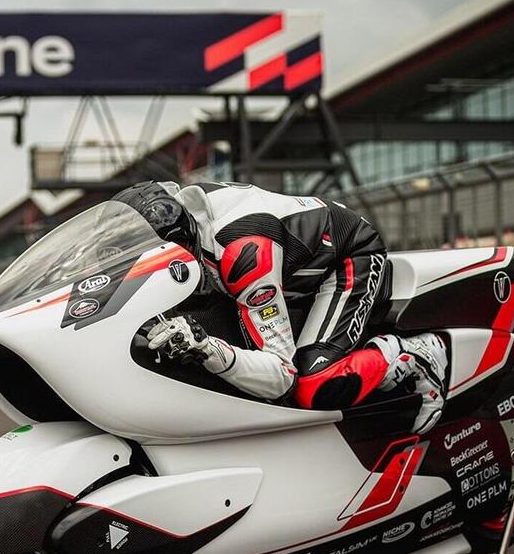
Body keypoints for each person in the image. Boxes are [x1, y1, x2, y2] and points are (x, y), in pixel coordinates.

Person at [115, 180, 448, 434]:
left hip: (347, 257)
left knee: (314, 384)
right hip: (284, 256)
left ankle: (411, 354)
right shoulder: (181, 217)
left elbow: (281, 377)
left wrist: (206, 347)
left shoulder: (242, 254)